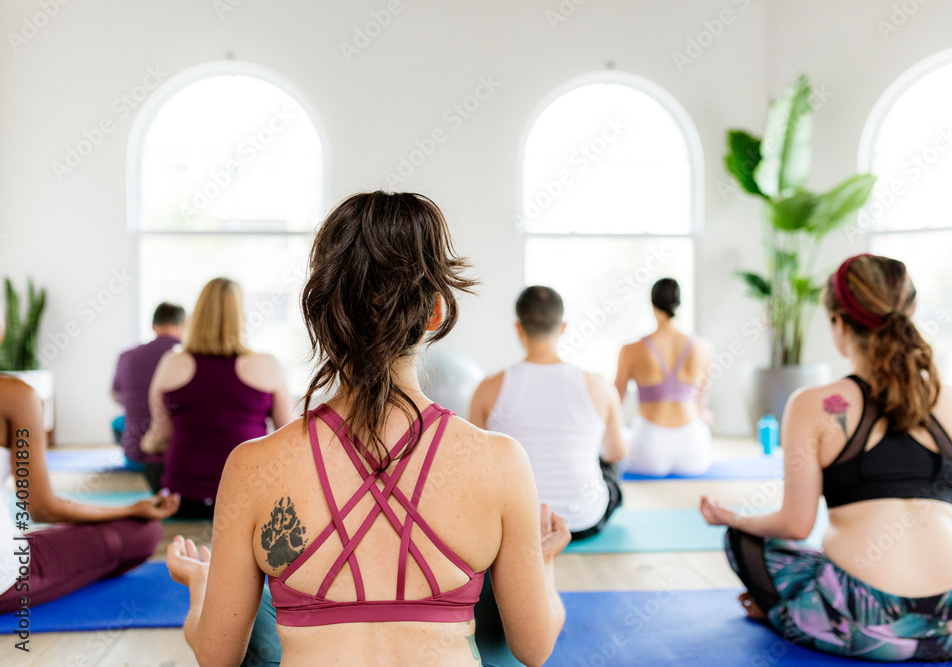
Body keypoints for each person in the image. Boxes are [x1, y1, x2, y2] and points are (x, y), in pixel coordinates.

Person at [165, 192, 569, 667]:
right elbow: (534, 647)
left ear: (321, 314)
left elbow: (217, 656)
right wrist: (542, 562)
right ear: (436, 313)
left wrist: (200, 587)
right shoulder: (501, 461)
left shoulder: (251, 465)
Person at [701, 254, 952, 662]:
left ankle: (787, 615)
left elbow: (796, 524)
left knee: (743, 540)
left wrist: (735, 517)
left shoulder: (813, 405)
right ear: (911, 311)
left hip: (864, 621)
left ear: (839, 324)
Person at [0, 375, 179, 614]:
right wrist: (130, 509)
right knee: (145, 530)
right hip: (7, 580)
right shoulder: (13, 395)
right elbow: (42, 508)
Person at [469, 285, 628, 540]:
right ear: (562, 327)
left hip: (519, 526)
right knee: (609, 470)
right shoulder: (599, 386)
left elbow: (475, 460)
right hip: (584, 520)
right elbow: (617, 452)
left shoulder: (488, 388)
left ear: (519, 328)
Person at [141, 278, 295, 519]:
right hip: (247, 498)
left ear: (197, 315)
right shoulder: (266, 365)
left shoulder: (172, 363)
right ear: (240, 315)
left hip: (182, 498)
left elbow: (161, 436)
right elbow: (289, 437)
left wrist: (146, 444)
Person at [615, 278, 713, 476]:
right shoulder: (704, 348)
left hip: (649, 448)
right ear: (679, 304)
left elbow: (616, 401)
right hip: (694, 451)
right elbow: (700, 406)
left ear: (652, 304)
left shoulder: (631, 350)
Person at [111, 301, 186, 490]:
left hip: (135, 457)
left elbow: (116, 394)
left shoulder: (127, 356)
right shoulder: (189, 357)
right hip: (181, 456)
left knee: (118, 422)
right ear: (184, 326)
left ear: (153, 325)